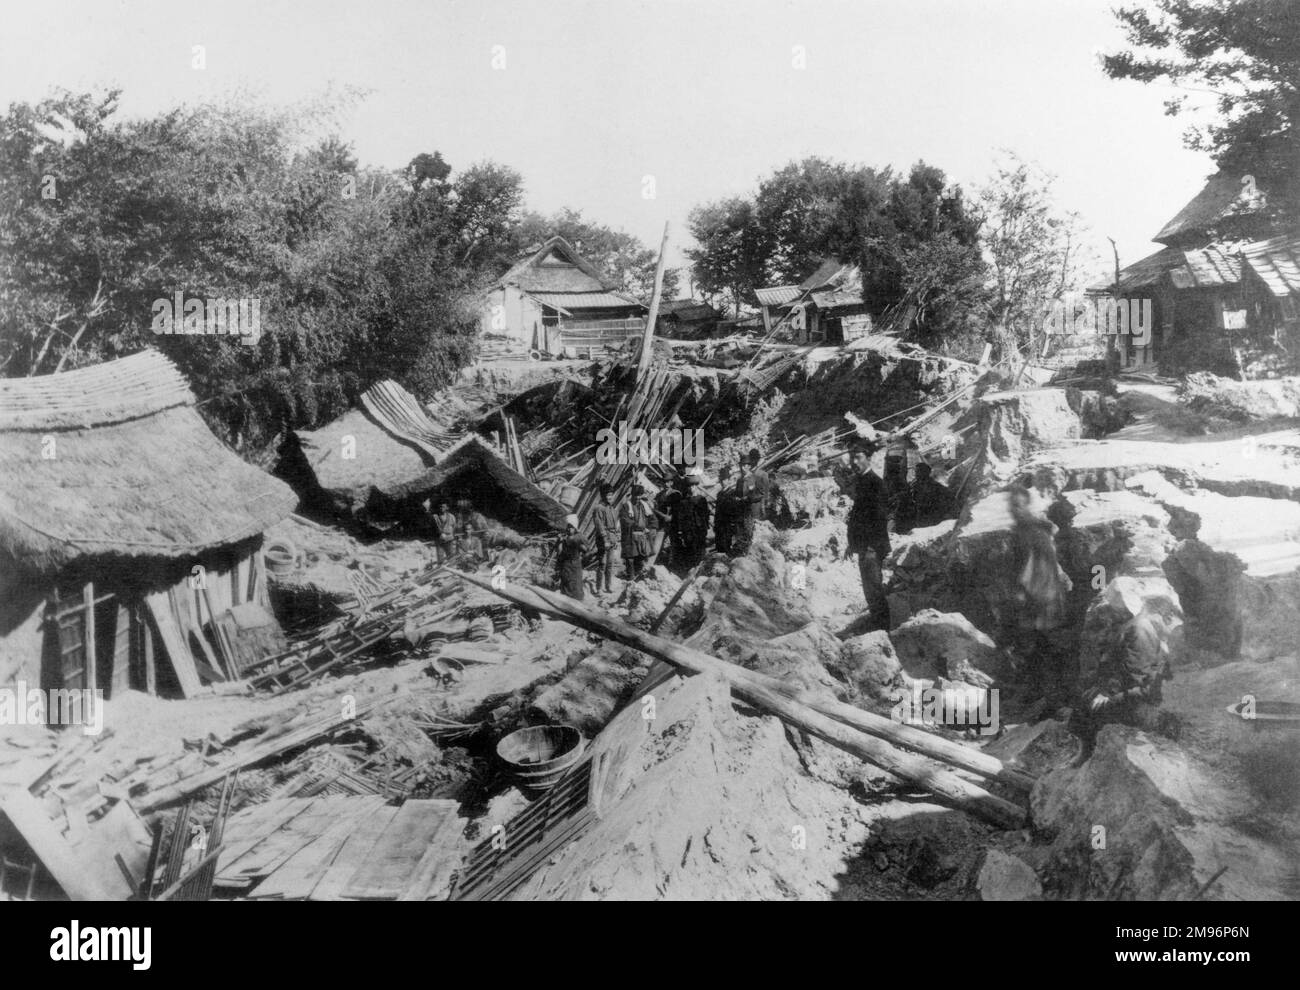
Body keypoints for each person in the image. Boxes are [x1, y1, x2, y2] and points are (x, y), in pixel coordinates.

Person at [1009, 467, 1075, 707]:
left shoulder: (1029, 533)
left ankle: (1052, 700)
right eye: (1011, 505)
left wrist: (1019, 595)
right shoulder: (1034, 530)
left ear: (1024, 506)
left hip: (1038, 601)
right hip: (1047, 598)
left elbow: (1029, 571)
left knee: (1042, 650)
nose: (1013, 510)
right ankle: (1048, 696)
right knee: (1045, 649)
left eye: (1017, 505)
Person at [1074, 605, 1178, 751]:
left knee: (1095, 707)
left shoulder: (1141, 629)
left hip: (1142, 696)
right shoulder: (1136, 626)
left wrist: (1107, 694)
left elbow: (1135, 673)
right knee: (1087, 700)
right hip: (1136, 688)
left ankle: (1091, 754)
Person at [845, 443, 891, 631]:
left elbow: (879, 518)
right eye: (852, 458)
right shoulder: (863, 481)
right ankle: (877, 624)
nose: (854, 462)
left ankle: (882, 629)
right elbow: (858, 515)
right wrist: (852, 543)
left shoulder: (875, 482)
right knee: (869, 588)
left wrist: (869, 546)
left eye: (858, 457)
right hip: (865, 545)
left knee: (874, 588)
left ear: (868, 458)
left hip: (872, 546)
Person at [894, 462, 956, 534]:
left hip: (927, 514)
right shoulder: (916, 483)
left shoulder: (933, 485)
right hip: (918, 511)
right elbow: (908, 493)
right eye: (916, 472)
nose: (916, 474)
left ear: (925, 473)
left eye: (918, 472)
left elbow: (947, 496)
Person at [672, 468, 711, 571]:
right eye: (690, 486)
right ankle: (690, 568)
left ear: (696, 486)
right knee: (690, 547)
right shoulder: (684, 502)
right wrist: (681, 529)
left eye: (694, 486)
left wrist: (705, 526)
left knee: (700, 546)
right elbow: (681, 517)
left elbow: (705, 514)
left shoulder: (701, 500)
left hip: (699, 528)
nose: (692, 488)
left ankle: (699, 567)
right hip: (688, 529)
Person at [620, 482, 658, 581]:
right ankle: (631, 577)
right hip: (630, 535)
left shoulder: (644, 505)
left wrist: (651, 528)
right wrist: (639, 526)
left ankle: (639, 577)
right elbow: (626, 521)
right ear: (632, 495)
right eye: (635, 496)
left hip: (642, 535)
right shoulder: (626, 506)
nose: (637, 498)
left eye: (639, 496)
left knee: (641, 556)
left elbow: (653, 518)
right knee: (630, 557)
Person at [734, 448, 768, 555]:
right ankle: (743, 551)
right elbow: (737, 493)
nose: (745, 467)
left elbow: (762, 494)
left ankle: (753, 552)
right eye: (743, 465)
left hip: (753, 508)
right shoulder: (740, 480)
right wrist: (737, 499)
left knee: (753, 530)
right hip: (742, 509)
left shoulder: (757, 477)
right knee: (742, 530)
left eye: (747, 465)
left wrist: (749, 499)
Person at [592, 483, 622, 594]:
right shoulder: (599, 508)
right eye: (608, 495)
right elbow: (599, 525)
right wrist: (605, 540)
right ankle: (598, 588)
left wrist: (616, 539)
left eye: (611, 495)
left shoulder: (612, 509)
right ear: (603, 495)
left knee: (610, 564)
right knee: (602, 564)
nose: (610, 497)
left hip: (612, 539)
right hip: (603, 540)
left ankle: (608, 586)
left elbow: (615, 526)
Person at [556, 514, 586, 600]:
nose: (569, 529)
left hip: (575, 565)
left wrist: (581, 557)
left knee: (576, 585)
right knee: (566, 584)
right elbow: (559, 552)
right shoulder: (566, 538)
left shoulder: (577, 538)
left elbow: (586, 550)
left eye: (571, 527)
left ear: (575, 528)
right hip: (566, 565)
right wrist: (560, 542)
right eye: (568, 527)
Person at [713, 465, 739, 556]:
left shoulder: (731, 493)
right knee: (719, 544)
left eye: (726, 479)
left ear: (729, 480)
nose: (724, 482)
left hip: (727, 524)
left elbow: (733, 511)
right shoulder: (720, 494)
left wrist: (732, 524)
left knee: (726, 545)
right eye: (723, 480)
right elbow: (717, 511)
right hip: (719, 524)